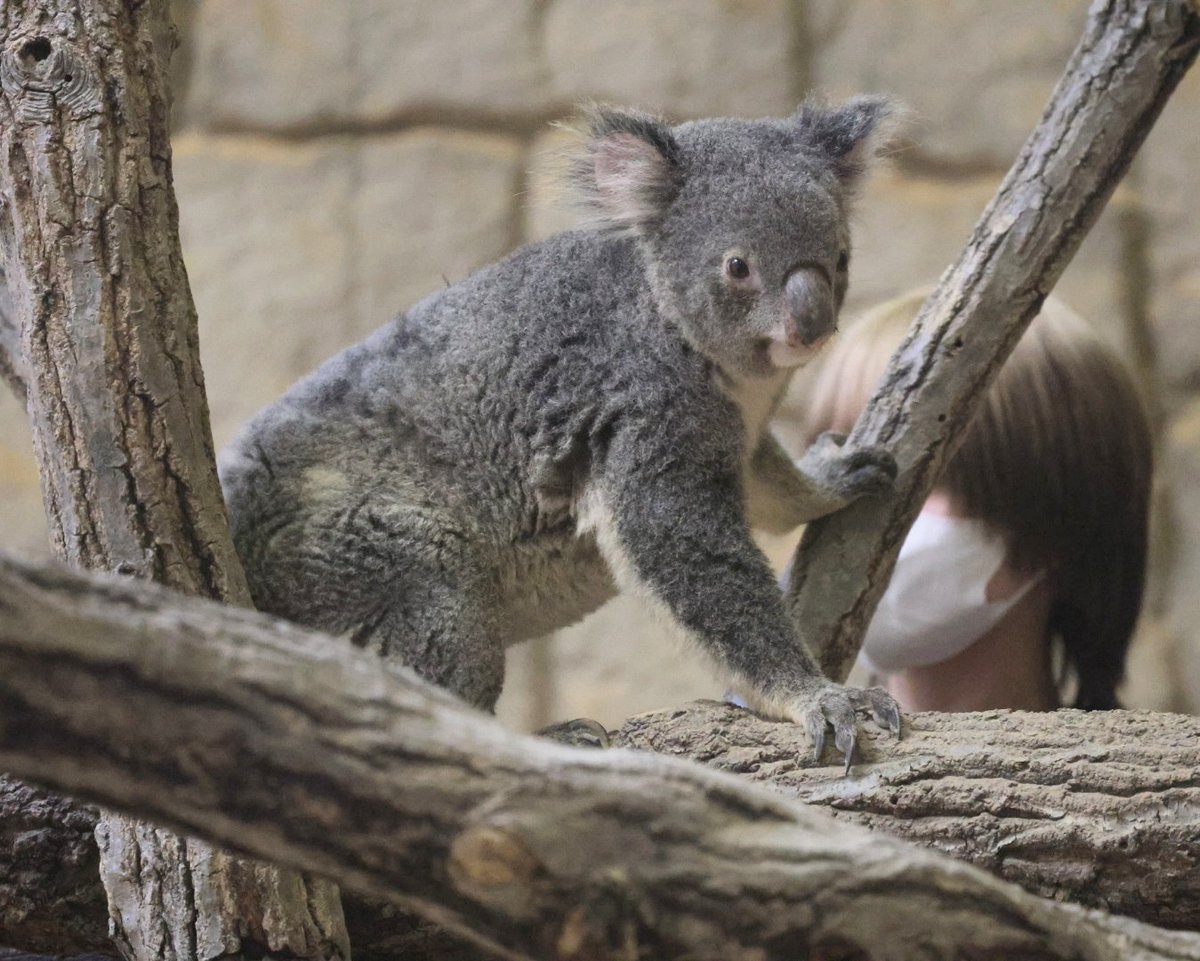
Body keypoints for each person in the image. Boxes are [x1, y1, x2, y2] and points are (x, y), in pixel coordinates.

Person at [795, 287, 1154, 712]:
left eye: (924, 474)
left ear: (1055, 514)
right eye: (844, 472)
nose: (862, 510)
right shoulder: (759, 770)